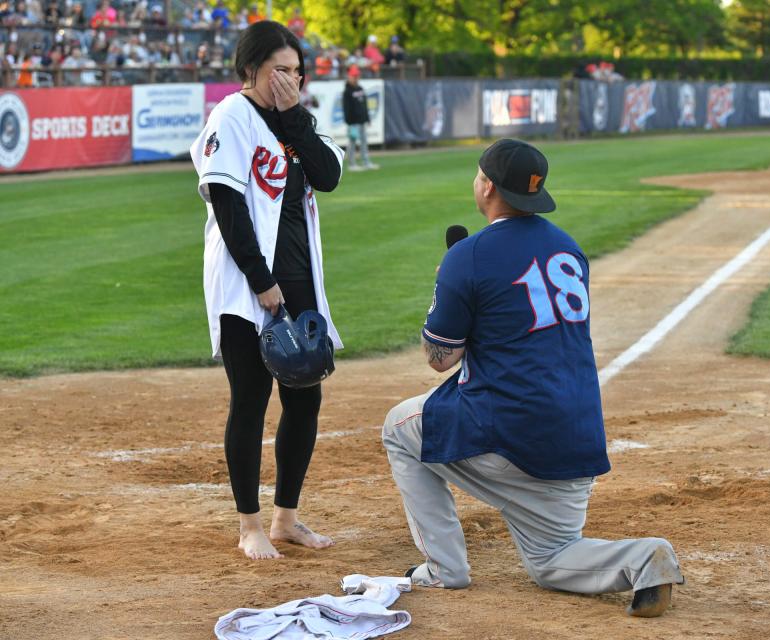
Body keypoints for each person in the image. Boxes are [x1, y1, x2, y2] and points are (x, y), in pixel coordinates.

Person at [381, 139, 684, 617]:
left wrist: (443, 292)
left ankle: (444, 568)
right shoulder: (568, 246)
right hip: (577, 443)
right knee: (551, 560)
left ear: (487, 187)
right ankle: (644, 558)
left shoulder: (470, 255)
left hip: (508, 434)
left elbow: (441, 359)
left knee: (398, 428)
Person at [189, 20, 345, 561]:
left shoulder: (298, 123)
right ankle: (250, 526)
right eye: (279, 69)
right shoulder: (231, 117)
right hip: (247, 285)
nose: (289, 80)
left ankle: (286, 519)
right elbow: (228, 207)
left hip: (301, 281)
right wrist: (263, 284)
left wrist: (294, 117)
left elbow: (328, 175)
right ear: (251, 68)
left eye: (297, 71)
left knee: (306, 394)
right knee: (251, 399)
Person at [341, 64, 377, 171]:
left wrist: (368, 119)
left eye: (357, 76)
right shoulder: (347, 91)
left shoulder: (361, 88)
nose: (356, 78)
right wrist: (349, 122)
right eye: (354, 76)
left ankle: (366, 162)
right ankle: (352, 164)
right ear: (349, 76)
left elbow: (365, 105)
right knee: (352, 142)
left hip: (362, 121)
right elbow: (346, 108)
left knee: (364, 142)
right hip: (353, 122)